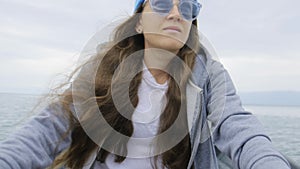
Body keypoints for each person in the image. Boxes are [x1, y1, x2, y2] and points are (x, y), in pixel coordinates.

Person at [0, 0, 293, 168]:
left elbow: (237, 126)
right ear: (139, 22)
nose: (177, 13)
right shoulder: (102, 70)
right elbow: (52, 126)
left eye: (188, 8)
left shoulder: (209, 75)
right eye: (164, 3)